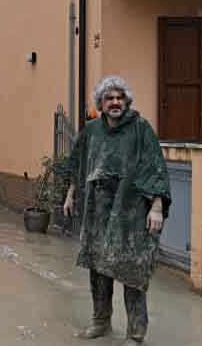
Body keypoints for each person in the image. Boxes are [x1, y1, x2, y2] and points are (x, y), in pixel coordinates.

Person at [63, 76, 171, 346]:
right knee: (98, 268)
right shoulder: (91, 130)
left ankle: (135, 335)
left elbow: (156, 168)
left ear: (126, 102)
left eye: (119, 98)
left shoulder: (141, 129)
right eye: (109, 98)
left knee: (132, 270)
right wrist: (70, 194)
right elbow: (78, 163)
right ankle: (101, 322)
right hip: (98, 212)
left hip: (131, 212)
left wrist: (156, 207)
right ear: (100, 103)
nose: (115, 102)